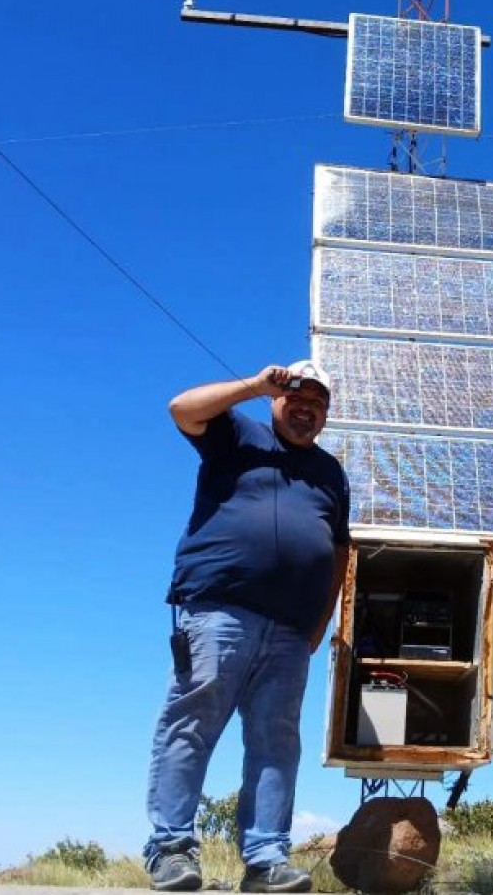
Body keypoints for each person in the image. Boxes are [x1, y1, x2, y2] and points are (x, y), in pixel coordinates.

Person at [142, 360, 352, 894]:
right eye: (295, 399)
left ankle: (265, 860)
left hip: (290, 633)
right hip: (219, 612)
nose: (305, 410)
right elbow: (180, 409)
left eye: (317, 404)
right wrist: (252, 386)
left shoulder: (332, 474)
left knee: (277, 742)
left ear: (325, 414)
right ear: (276, 401)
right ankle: (171, 850)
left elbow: (339, 551)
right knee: (191, 725)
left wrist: (320, 625)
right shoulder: (238, 432)